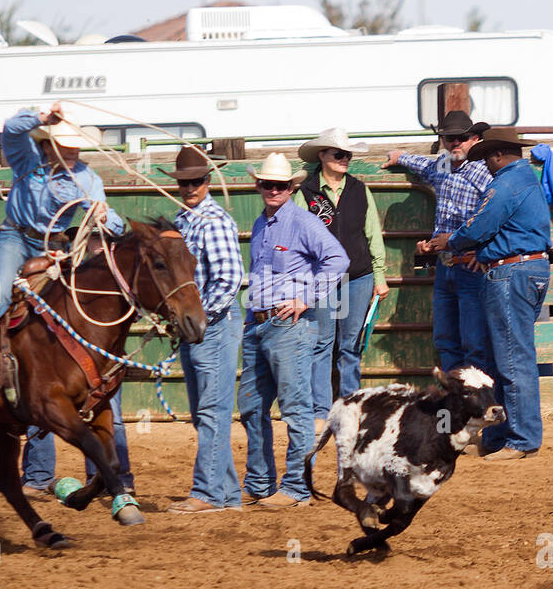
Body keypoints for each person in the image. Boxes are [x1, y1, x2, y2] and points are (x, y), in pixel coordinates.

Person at [0, 103, 126, 496]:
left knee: (76, 307)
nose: (74, 151)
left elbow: (113, 221)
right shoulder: (28, 160)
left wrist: (104, 216)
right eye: (66, 144)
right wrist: (39, 117)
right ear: (51, 145)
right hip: (17, 238)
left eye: (77, 146)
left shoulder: (87, 179)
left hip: (56, 247)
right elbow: (11, 130)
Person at [423, 127, 550, 461]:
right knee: (502, 354)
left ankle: (521, 438)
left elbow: (481, 225)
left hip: (510, 272)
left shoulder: (506, 183)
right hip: (516, 268)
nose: (486, 166)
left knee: (508, 358)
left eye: (487, 158)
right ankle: (499, 436)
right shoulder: (521, 179)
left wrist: (449, 241)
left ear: (496, 155)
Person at [238, 152, 349, 509]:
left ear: (290, 188)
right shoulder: (260, 225)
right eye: (268, 184)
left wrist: (306, 298)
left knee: (295, 409)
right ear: (259, 186)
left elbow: (339, 258)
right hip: (259, 323)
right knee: (252, 407)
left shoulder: (303, 221)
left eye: (280, 186)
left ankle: (297, 488)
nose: (273, 190)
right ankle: (260, 482)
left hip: (288, 325)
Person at [157, 147, 246, 514]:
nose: (190, 187)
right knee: (206, 411)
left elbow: (230, 277)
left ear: (207, 181)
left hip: (214, 326)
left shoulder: (213, 221)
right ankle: (226, 494)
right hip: (199, 327)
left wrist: (199, 317)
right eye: (184, 182)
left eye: (196, 181)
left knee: (210, 409)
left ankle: (207, 493)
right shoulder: (184, 220)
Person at [293, 127, 390, 425]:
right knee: (321, 343)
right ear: (322, 156)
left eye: (347, 155)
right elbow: (297, 240)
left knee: (350, 345)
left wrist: (379, 275)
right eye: (338, 154)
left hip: (357, 276)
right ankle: (320, 410)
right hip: (320, 279)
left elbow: (373, 233)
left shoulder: (360, 190)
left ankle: (349, 408)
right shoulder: (305, 194)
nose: (344, 159)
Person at [385, 110, 493, 375]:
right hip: (445, 266)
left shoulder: (483, 172)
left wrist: (486, 252)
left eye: (461, 138)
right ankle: (457, 403)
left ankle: (476, 402)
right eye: (449, 138)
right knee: (446, 340)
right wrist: (400, 157)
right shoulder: (442, 167)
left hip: (471, 266)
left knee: (474, 343)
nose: (455, 143)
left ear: (474, 139)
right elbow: (422, 164)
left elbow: (497, 216)